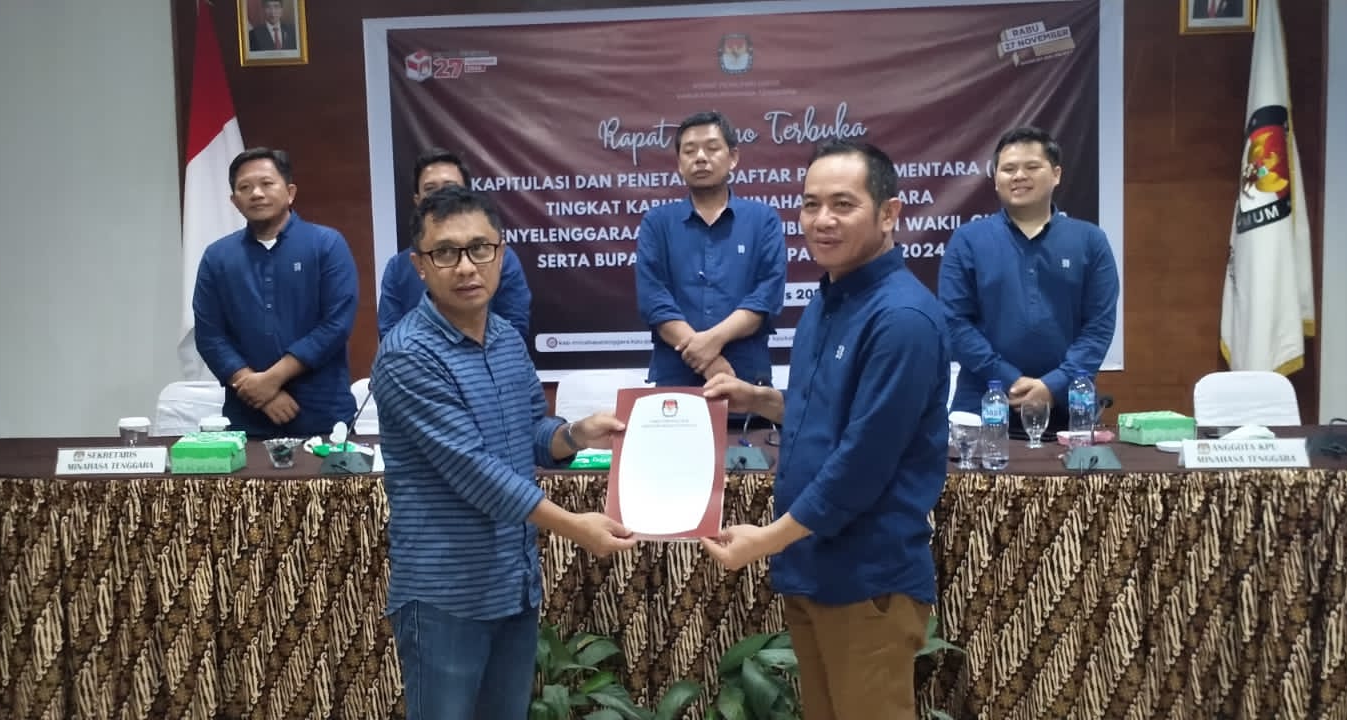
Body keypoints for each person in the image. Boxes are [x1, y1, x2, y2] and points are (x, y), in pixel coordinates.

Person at [700, 139, 950, 720]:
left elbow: (863, 460)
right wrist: (761, 400)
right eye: (811, 204)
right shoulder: (829, 298)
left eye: (843, 204)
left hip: (866, 578)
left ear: (889, 213)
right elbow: (828, 415)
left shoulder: (901, 318)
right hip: (812, 566)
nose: (822, 220)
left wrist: (768, 539)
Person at [372, 184, 636, 720]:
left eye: (480, 248)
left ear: (501, 253)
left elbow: (531, 432)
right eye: (446, 252)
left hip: (512, 584)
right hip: (446, 592)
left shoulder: (507, 339)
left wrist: (576, 434)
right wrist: (575, 527)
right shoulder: (407, 355)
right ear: (419, 266)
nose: (467, 266)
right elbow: (475, 471)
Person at [937, 126, 1119, 430]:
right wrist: (1007, 378)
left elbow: (1099, 327)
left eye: (1032, 167)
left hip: (1068, 408)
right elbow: (954, 322)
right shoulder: (967, 240)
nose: (1019, 176)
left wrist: (1054, 385)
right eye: (1008, 169)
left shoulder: (1090, 241)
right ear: (996, 178)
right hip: (983, 404)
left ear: (1056, 174)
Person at [193, 147, 357, 437]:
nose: (256, 193)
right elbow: (210, 335)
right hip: (247, 417)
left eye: (266, 183)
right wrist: (258, 389)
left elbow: (336, 325)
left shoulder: (326, 244)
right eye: (245, 187)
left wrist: (272, 379)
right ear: (234, 201)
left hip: (323, 417)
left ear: (290, 192)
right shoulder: (217, 257)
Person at [635, 111, 785, 386]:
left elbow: (766, 296)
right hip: (675, 378)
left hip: (745, 375)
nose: (701, 157)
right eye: (689, 151)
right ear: (679, 164)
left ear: (733, 157)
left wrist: (711, 342)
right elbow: (654, 300)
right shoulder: (656, 223)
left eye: (712, 148)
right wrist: (708, 360)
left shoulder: (763, 220)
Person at [378, 148, 533, 344]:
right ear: (417, 200)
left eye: (450, 187)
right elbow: (389, 333)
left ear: (467, 194)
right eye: (430, 189)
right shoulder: (397, 267)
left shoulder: (500, 256)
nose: (441, 196)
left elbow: (515, 325)